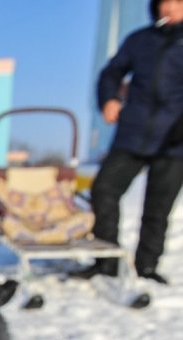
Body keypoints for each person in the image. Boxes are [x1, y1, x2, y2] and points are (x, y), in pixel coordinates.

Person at [75, 0, 183, 284]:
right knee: (104, 189)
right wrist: (109, 99)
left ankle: (147, 266)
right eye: (166, 3)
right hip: (133, 133)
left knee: (158, 207)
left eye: (178, 3)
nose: (171, 9)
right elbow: (111, 73)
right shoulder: (140, 40)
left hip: (175, 139)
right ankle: (106, 261)